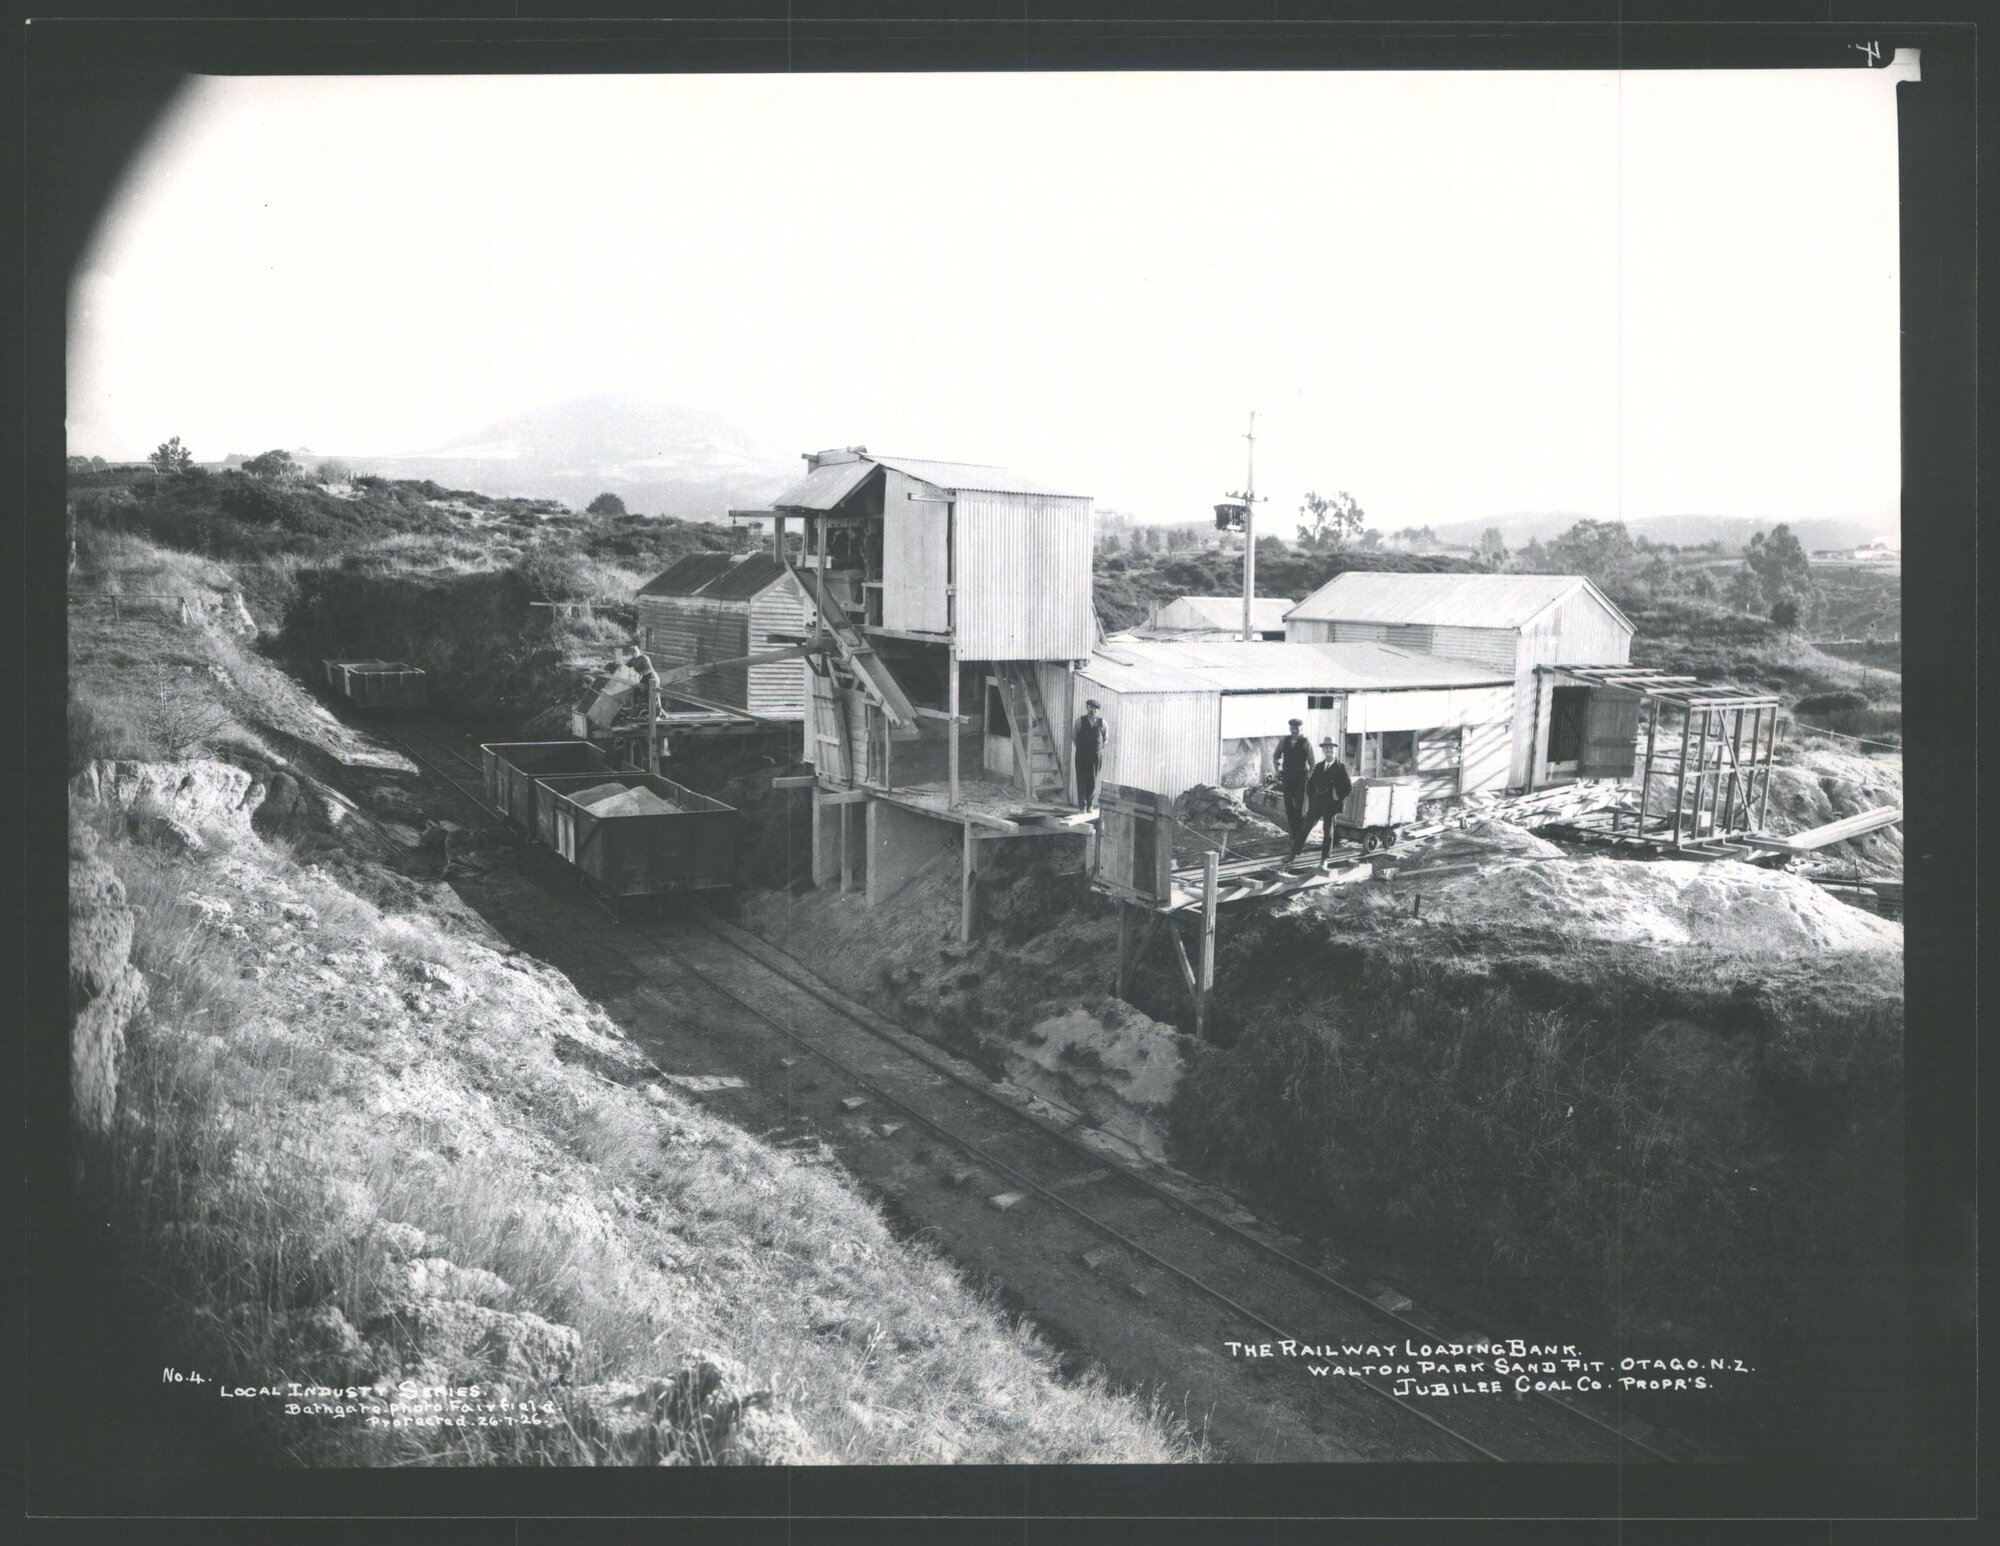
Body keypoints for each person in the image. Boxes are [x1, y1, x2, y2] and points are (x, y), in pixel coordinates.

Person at [1289, 737, 1354, 864]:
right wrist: (1313, 798)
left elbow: (1348, 788)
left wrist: (1337, 798)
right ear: (1323, 750)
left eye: (1331, 748)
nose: (1329, 750)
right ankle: (1293, 854)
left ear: (1335, 750)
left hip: (1330, 806)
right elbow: (1310, 784)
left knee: (1328, 833)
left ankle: (1324, 859)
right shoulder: (1319, 766)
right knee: (1305, 828)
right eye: (1327, 748)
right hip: (1316, 804)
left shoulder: (1340, 768)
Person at [1275, 717, 1317, 836]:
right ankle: (1294, 831)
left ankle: (1300, 832)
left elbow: (1312, 762)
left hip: (1301, 777)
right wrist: (1277, 770)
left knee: (1299, 805)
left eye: (1297, 729)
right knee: (1288, 805)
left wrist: (1309, 775)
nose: (1294, 731)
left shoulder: (1305, 743)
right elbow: (1276, 756)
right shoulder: (1284, 741)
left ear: (1301, 729)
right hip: (1287, 776)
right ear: (1290, 729)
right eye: (1293, 729)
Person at [1073, 699, 1108, 809]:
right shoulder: (1080, 721)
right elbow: (1075, 738)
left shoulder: (1102, 722)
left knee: (1092, 780)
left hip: (1095, 757)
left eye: (1096, 708)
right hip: (1082, 756)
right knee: (1081, 779)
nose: (1093, 710)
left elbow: (1105, 739)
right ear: (1087, 707)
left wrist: (1096, 750)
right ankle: (1082, 807)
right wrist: (1083, 749)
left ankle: (1089, 806)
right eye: (1091, 707)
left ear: (1098, 710)